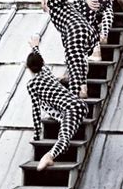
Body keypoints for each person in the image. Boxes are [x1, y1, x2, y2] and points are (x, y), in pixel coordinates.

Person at [26, 34, 88, 171]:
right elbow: (40, 60)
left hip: (71, 109)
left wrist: (37, 134)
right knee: (64, 128)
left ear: (28, 68)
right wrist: (35, 47)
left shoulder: (32, 85)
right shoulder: (46, 71)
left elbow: (36, 110)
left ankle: (49, 156)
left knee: (64, 138)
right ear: (42, 64)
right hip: (80, 106)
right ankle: (62, 118)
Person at [41, 0, 99, 99]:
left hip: (76, 30)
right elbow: (66, 42)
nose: (42, 4)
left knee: (74, 63)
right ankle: (82, 87)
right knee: (77, 59)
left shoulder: (51, 2)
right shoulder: (64, 10)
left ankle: (75, 95)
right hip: (87, 32)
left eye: (41, 1)